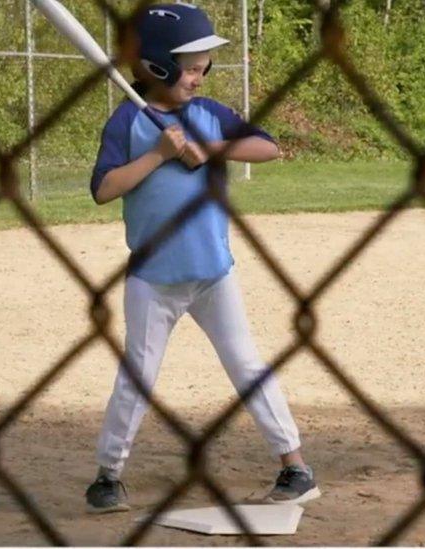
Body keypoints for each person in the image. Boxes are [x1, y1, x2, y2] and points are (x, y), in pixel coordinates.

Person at [85, 2, 320, 514]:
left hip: (214, 275)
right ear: (157, 66)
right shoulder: (127, 121)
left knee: (247, 364)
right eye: (192, 67)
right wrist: (158, 156)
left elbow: (267, 147)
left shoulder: (209, 114)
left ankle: (295, 466)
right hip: (154, 278)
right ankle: (108, 476)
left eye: (203, 66)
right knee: (137, 376)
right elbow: (104, 189)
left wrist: (210, 149)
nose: (200, 75)